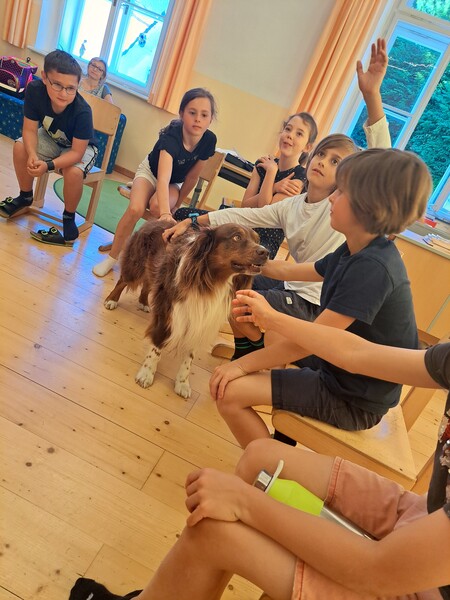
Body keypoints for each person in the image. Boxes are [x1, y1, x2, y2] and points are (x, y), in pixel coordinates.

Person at [68, 321, 450, 599]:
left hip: (414, 577)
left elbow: (377, 570)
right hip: (420, 517)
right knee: (259, 457)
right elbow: (354, 352)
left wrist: (244, 502)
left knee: (213, 530)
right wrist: (265, 327)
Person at [164, 38, 391, 360]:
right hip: (292, 286)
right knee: (234, 289)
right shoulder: (292, 205)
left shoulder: (346, 208)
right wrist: (191, 221)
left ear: (348, 176)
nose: (323, 162)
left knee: (240, 303)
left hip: (315, 302)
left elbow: (383, 166)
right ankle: (251, 351)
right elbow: (243, 215)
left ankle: (264, 356)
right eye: (321, 155)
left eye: (335, 161)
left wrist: (371, 96)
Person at [208, 148, 431, 449]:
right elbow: (286, 269)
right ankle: (281, 437)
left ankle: (271, 468)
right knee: (271, 335)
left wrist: (243, 364)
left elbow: (312, 340)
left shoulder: (372, 268)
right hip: (335, 367)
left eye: (341, 192)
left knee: (229, 394)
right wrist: (240, 257)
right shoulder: (354, 249)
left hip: (353, 398)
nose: (331, 198)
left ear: (369, 207)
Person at [92, 87, 217, 277]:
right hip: (151, 173)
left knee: (158, 206)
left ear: (210, 119)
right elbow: (162, 177)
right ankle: (112, 257)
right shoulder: (171, 136)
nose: (198, 119)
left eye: (204, 115)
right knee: (136, 208)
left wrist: (175, 206)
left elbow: (192, 177)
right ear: (182, 113)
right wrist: (166, 213)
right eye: (192, 113)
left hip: (174, 182)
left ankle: (142, 250)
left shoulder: (209, 140)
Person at [173, 111, 318, 261]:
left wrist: (271, 173)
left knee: (250, 256)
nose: (290, 135)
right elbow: (246, 205)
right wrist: (274, 187)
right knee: (182, 213)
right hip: (242, 225)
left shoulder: (300, 177)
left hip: (265, 239)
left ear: (307, 147)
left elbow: (265, 210)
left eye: (299, 134)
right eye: (288, 129)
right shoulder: (262, 163)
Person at [0, 49, 97, 247]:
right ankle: (25, 196)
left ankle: (68, 219)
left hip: (81, 147)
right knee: (20, 147)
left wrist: (48, 165)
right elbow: (29, 130)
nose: (64, 93)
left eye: (71, 88)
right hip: (51, 138)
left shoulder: (82, 111)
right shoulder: (35, 90)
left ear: (77, 85)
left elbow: (77, 153)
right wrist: (33, 154)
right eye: (57, 85)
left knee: (73, 172)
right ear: (44, 77)